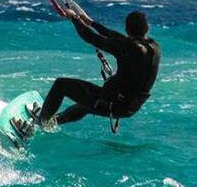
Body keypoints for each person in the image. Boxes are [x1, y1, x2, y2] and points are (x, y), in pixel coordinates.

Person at [30, 10, 161, 129]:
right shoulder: (153, 47)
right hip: (129, 107)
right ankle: (54, 122)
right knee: (84, 105)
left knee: (61, 85)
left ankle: (40, 123)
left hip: (112, 103)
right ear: (147, 28)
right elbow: (115, 36)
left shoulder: (129, 48)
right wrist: (91, 22)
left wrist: (74, 19)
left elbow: (91, 37)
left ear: (127, 30)